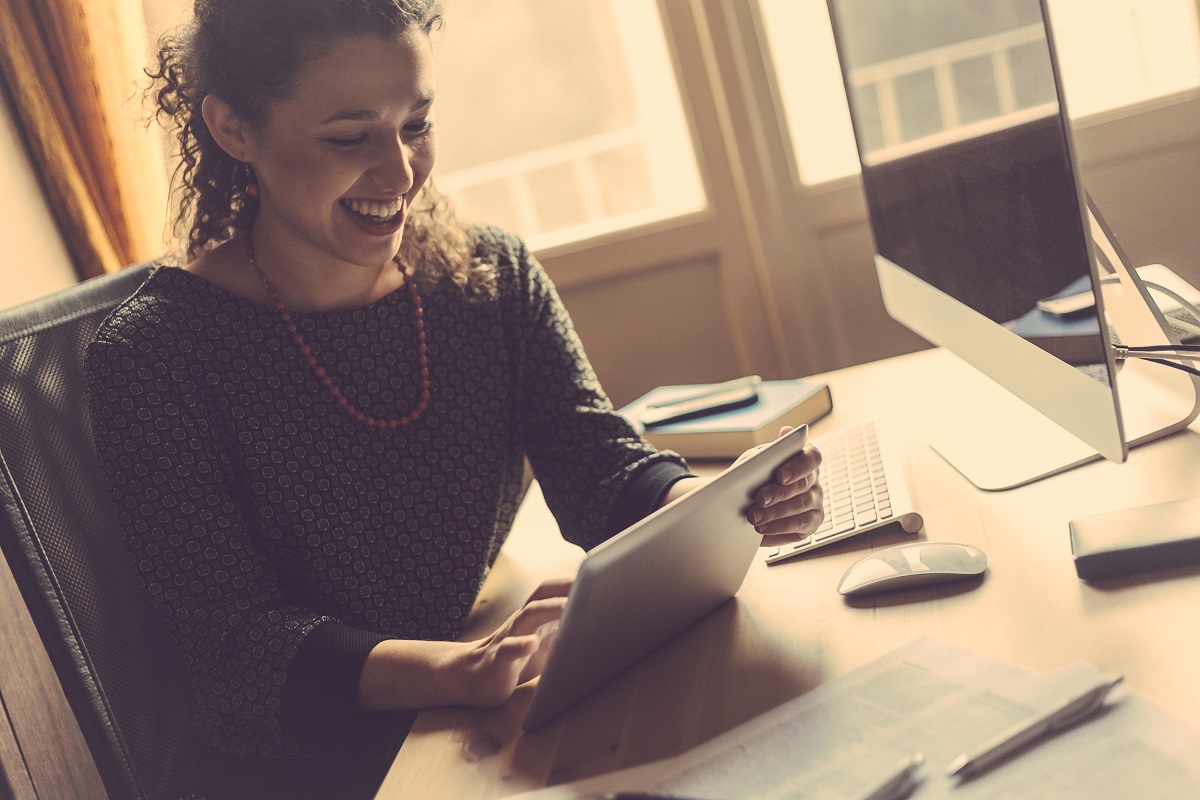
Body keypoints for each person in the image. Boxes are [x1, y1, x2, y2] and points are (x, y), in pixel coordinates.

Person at [84, 1, 825, 797]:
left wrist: (716, 504)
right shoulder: (154, 356)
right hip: (323, 766)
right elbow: (238, 654)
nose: (401, 174)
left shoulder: (490, 277)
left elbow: (595, 464)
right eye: (349, 136)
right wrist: (454, 671)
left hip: (479, 707)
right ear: (235, 131)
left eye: (417, 124)